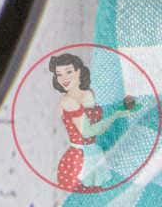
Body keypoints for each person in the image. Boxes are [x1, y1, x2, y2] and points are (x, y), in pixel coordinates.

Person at [50, 52, 142, 191]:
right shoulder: (68, 102)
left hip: (96, 152)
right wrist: (116, 115)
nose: (64, 78)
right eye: (59, 74)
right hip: (80, 160)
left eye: (68, 71)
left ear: (79, 71)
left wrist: (119, 108)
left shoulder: (88, 93)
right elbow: (88, 131)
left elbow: (100, 114)